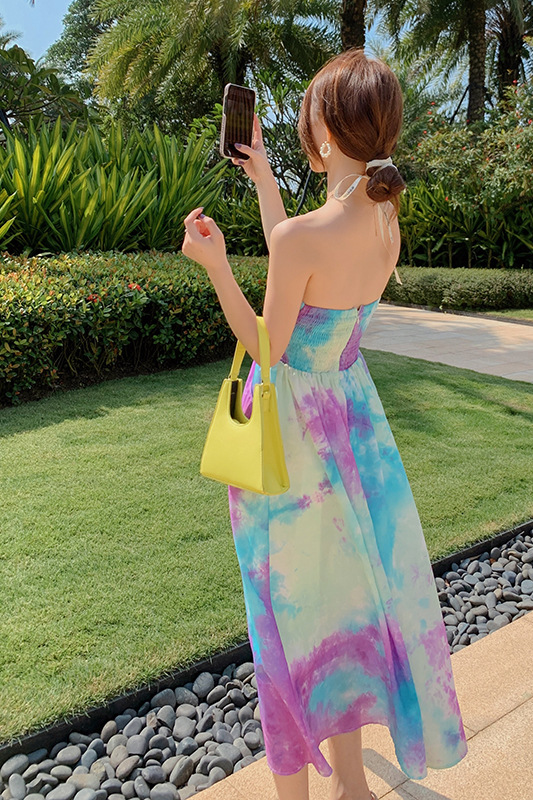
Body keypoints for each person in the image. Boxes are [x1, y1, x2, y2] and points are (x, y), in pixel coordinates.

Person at [181, 47, 468, 800]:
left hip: (293, 438)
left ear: (329, 134)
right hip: (352, 420)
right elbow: (300, 264)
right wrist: (265, 181)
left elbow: (267, 345)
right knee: (341, 600)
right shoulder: (385, 218)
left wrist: (215, 266)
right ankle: (352, 785)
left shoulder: (307, 235)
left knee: (289, 613)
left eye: (310, 117)